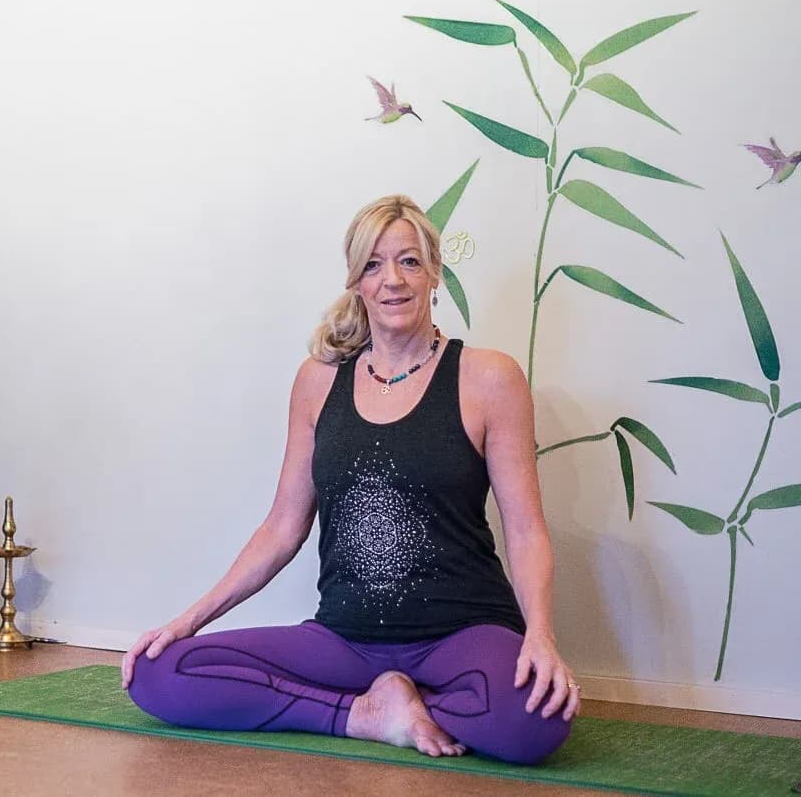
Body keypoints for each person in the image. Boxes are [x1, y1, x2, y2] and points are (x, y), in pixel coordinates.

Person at [120, 195, 578, 765]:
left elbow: (526, 529)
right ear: (355, 280)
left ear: (435, 272)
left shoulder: (489, 378)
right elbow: (282, 528)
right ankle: (362, 714)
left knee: (535, 720)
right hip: (343, 641)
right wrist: (188, 619)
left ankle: (408, 699)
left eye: (409, 261)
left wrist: (540, 635)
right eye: (373, 265)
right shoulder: (317, 383)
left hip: (461, 633)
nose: (393, 280)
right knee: (158, 671)